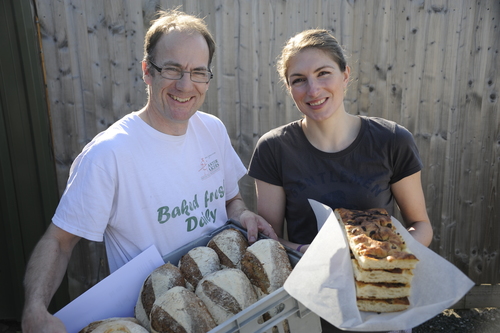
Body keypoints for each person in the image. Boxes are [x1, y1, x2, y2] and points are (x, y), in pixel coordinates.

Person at [21, 9, 277, 333]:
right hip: (157, 317)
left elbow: (231, 201)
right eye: (172, 69)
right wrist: (34, 310)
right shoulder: (109, 154)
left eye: (198, 72)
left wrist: (243, 215)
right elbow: (59, 242)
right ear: (147, 71)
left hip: (225, 304)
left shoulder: (212, 129)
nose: (186, 85)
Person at [248, 29, 433, 333]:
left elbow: (421, 224)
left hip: (382, 303)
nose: (313, 89)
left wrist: (386, 254)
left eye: (324, 73)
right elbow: (270, 241)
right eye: (299, 80)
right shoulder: (273, 149)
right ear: (289, 87)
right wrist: (300, 251)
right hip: (310, 309)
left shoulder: (392, 141)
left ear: (345, 74)